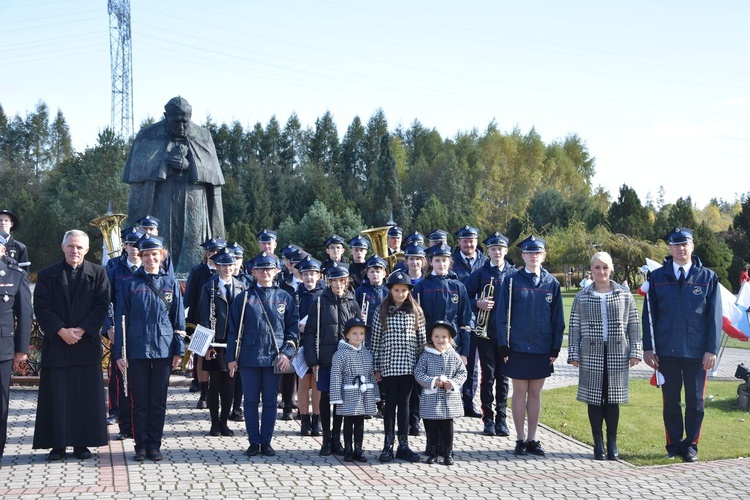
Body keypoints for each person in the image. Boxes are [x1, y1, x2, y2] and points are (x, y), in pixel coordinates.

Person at [642, 227, 721, 463]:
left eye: (685, 244)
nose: (681, 249)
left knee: (696, 401)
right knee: (671, 401)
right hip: (666, 350)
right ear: (670, 248)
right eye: (676, 245)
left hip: (697, 352)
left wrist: (712, 349)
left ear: (692, 246)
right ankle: (674, 444)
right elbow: (649, 316)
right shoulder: (657, 278)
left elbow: (714, 317)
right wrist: (648, 348)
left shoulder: (707, 277)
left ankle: (691, 445)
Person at [122, 97, 225, 274]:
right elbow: (138, 169)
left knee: (193, 242)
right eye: (176, 122)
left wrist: (189, 166)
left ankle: (192, 275)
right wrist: (163, 165)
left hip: (194, 201)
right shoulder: (148, 135)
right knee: (160, 237)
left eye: (185, 121)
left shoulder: (202, 136)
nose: (182, 127)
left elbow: (213, 174)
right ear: (166, 116)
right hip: (160, 199)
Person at [32, 230, 110, 461]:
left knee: (84, 396)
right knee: (55, 396)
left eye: (79, 247)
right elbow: (42, 307)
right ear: (63, 247)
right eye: (71, 246)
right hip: (57, 344)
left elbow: (102, 304)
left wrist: (83, 329)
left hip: (85, 344)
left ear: (86, 250)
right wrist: (60, 331)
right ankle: (56, 445)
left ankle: (81, 444)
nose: (74, 250)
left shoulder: (98, 273)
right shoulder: (47, 275)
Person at [114, 234, 186, 462]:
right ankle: (140, 445)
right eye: (146, 254)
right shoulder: (129, 284)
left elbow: (178, 322)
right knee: (139, 401)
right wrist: (119, 354)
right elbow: (120, 320)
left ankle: (154, 444)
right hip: (136, 349)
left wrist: (178, 351)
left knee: (158, 401)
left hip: (163, 350)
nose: (150, 258)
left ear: (162, 257)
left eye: (154, 254)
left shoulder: (171, 284)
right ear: (141, 257)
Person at [567, 251, 643, 460]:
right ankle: (597, 443)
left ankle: (612, 442)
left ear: (611, 269)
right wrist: (573, 352)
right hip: (591, 352)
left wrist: (635, 351)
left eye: (605, 267)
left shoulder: (624, 294)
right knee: (594, 398)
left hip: (618, 352)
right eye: (597, 267)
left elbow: (634, 325)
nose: (601, 271)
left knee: (613, 399)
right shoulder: (582, 296)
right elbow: (574, 327)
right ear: (591, 270)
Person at [496, 235, 564, 458]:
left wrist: (555, 348)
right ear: (523, 255)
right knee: (519, 392)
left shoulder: (551, 283)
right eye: (529, 252)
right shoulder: (512, 281)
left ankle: (533, 438)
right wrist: (503, 345)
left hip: (542, 347)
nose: (534, 256)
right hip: (517, 346)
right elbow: (502, 315)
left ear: (543, 255)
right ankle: (519, 438)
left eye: (538, 253)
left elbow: (557, 319)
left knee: (535, 393)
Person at [227, 251, 299, 458]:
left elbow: (292, 330)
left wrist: (287, 353)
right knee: (250, 401)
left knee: (269, 401)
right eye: (261, 269)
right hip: (248, 357)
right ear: (254, 272)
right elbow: (233, 330)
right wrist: (231, 358)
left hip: (274, 357)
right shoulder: (244, 297)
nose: (265, 272)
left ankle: (266, 441)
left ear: (276, 271)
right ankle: (253, 442)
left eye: (269, 268)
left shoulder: (285, 297)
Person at [302, 263, 360, 456]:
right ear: (328, 281)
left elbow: (359, 332)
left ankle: (337, 438)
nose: (337, 284)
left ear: (346, 281)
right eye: (334, 280)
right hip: (325, 360)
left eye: (341, 280)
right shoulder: (319, 302)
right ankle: (326, 439)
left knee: (342, 401)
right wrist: (312, 359)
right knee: (325, 399)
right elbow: (309, 332)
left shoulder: (352, 301)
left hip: (347, 361)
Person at [371, 271, 426, 463]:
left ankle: (404, 444)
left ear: (409, 291)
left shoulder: (417, 311)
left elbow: (422, 340)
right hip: (389, 364)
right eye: (396, 290)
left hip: (410, 365)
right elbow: (375, 341)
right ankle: (388, 444)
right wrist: (376, 366)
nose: (400, 293)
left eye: (404, 290)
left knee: (405, 404)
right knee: (390, 405)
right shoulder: (381, 311)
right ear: (390, 291)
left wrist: (422, 365)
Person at [465, 231, 514, 437]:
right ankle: (488, 420)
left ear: (506, 251)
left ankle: (502, 418)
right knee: (488, 377)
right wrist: (478, 303)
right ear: (488, 251)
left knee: (504, 378)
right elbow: (464, 295)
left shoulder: (513, 273)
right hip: (484, 333)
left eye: (500, 249)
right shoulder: (480, 272)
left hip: (506, 335)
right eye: (493, 249)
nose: (497, 252)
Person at [199, 248, 247, 437]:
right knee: (215, 384)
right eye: (224, 265)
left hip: (233, 342)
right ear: (217, 266)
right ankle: (214, 424)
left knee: (230, 384)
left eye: (230, 264)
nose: (227, 268)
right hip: (215, 341)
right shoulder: (209, 286)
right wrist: (207, 345)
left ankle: (224, 421)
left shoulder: (242, 287)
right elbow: (203, 316)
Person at [104, 226, 144, 440]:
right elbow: (106, 301)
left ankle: (140, 428)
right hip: (120, 332)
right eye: (130, 244)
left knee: (140, 383)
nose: (134, 249)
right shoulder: (115, 270)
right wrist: (108, 327)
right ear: (125, 246)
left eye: (138, 245)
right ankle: (124, 426)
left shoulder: (149, 270)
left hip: (142, 334)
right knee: (121, 380)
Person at [414, 321, 467, 465]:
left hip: (448, 398)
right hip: (432, 398)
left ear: (449, 339)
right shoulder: (426, 355)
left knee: (447, 426)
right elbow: (418, 373)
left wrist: (453, 383)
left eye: (444, 337)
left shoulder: (453, 355)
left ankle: (448, 453)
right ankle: (432, 452)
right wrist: (432, 382)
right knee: (432, 427)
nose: (440, 340)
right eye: (436, 336)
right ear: (431, 337)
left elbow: (462, 372)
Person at [330, 317, 379, 462]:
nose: (359, 337)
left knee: (360, 422)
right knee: (348, 421)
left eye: (362, 333)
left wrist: (374, 393)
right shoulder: (340, 354)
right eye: (355, 333)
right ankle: (348, 449)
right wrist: (336, 396)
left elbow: (370, 375)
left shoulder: (367, 353)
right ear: (347, 335)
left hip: (363, 395)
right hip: (348, 393)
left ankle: (359, 448)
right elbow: (336, 375)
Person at [0, 233, 32, 461]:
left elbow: (24, 313)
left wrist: (21, 350)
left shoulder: (15, 275)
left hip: (2, 349)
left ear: (3, 250)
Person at [184, 237, 226, 407]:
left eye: (218, 251)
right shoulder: (198, 271)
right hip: (201, 321)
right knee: (201, 356)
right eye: (212, 251)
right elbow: (190, 298)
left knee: (220, 357)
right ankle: (204, 393)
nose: (215, 255)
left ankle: (220, 392)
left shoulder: (227, 270)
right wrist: (189, 323)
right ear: (206, 253)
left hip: (222, 322)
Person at [294, 255, 326, 437]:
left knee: (317, 383)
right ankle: (304, 420)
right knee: (304, 383)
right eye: (305, 274)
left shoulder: (323, 295)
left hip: (319, 344)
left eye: (312, 274)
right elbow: (289, 317)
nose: (308, 278)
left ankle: (317, 419)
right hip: (301, 343)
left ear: (318, 276)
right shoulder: (295, 294)